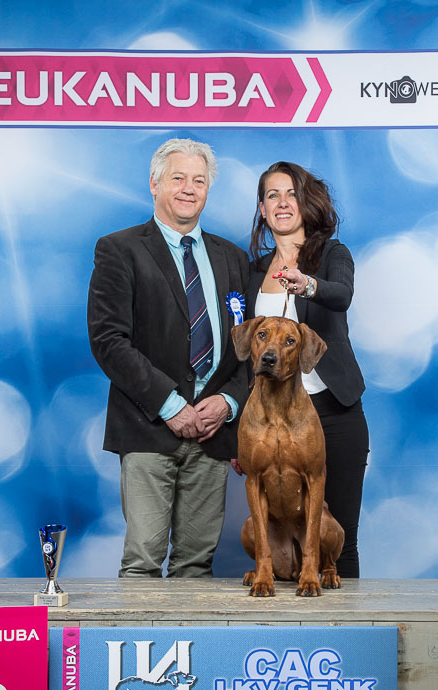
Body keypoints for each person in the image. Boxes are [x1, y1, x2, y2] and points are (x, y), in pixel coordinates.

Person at [87, 138, 249, 578]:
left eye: (199, 180)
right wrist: (171, 405)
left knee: (196, 564)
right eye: (178, 178)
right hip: (148, 427)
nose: (188, 188)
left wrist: (229, 402)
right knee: (142, 562)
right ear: (154, 184)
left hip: (214, 433)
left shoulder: (233, 258)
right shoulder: (119, 249)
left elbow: (250, 347)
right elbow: (108, 340)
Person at [246, 161, 368, 578]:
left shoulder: (332, 254)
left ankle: (345, 620)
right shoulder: (253, 270)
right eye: (272, 195)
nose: (282, 203)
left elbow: (342, 294)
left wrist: (308, 284)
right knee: (277, 537)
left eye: (292, 194)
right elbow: (246, 345)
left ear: (306, 202)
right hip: (267, 417)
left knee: (339, 540)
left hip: (333, 411)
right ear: (262, 208)